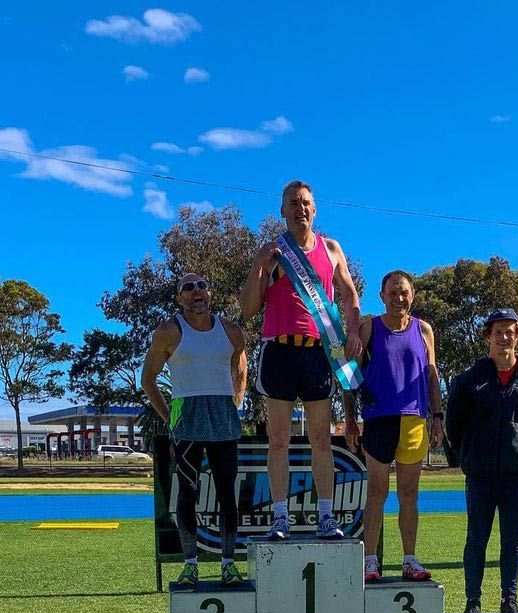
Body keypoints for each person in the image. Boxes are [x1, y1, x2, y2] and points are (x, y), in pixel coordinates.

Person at [240, 180, 363, 541]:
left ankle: (326, 517)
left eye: (306, 203)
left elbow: (351, 296)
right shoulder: (273, 251)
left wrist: (353, 331)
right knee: (278, 440)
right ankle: (280, 518)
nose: (300, 209)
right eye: (293, 203)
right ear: (282, 210)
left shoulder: (331, 248)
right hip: (279, 351)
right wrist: (258, 265)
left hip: (318, 353)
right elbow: (248, 309)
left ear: (315, 209)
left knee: (320, 440)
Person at [141, 273, 247, 586]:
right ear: (180, 299)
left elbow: (240, 366)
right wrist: (169, 416)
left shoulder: (231, 331)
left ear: (210, 294)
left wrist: (236, 400)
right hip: (186, 417)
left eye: (201, 285)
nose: (196, 291)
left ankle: (228, 563)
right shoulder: (168, 331)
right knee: (188, 492)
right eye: (188, 288)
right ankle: (190, 564)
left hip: (223, 417)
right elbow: (148, 379)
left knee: (228, 494)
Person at [445, 308, 518, 613]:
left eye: (510, 331)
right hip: (481, 477)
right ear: (488, 336)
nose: (504, 337)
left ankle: (509, 600)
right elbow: (454, 425)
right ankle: (472, 602)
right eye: (497, 331)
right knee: (476, 540)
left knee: (512, 543)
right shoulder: (469, 379)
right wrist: (472, 454)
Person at [343, 270, 443, 582]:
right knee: (376, 491)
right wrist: (349, 420)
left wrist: (437, 418)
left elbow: (432, 376)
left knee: (409, 493)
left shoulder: (423, 330)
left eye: (404, 293)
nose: (399, 298)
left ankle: (410, 560)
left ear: (412, 296)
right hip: (377, 421)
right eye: (393, 293)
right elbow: (349, 376)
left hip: (414, 420)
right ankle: (370, 561)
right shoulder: (369, 328)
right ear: (382, 296)